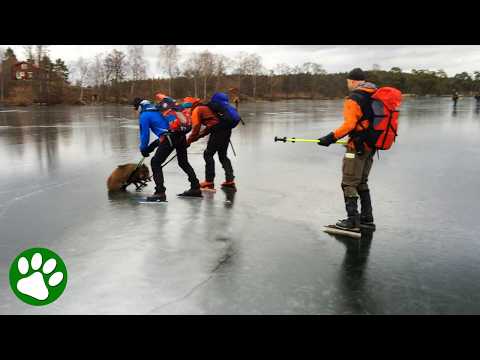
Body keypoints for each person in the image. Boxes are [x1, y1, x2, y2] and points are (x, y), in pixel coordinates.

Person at [317, 68, 377, 231]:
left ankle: (353, 221)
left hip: (356, 147)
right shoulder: (374, 94)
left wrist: (330, 137)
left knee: (348, 183)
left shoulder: (354, 98)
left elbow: (350, 125)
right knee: (361, 182)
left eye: (348, 81)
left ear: (353, 81)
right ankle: (366, 219)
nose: (348, 84)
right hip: (371, 146)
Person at [133, 97, 201, 202]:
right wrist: (151, 147)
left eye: (135, 109)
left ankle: (160, 193)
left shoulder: (145, 115)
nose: (135, 112)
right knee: (183, 162)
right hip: (180, 135)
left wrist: (144, 149)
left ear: (139, 107)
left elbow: (145, 135)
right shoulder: (158, 109)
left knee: (155, 162)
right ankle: (196, 188)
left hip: (170, 138)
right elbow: (164, 131)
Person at [185, 93, 237, 191]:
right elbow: (209, 128)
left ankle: (209, 182)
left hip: (218, 132)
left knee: (208, 154)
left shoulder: (197, 110)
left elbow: (196, 127)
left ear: (190, 106)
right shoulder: (207, 109)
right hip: (226, 130)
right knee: (223, 156)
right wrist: (195, 138)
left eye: (186, 108)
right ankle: (230, 180)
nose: (186, 111)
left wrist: (189, 140)